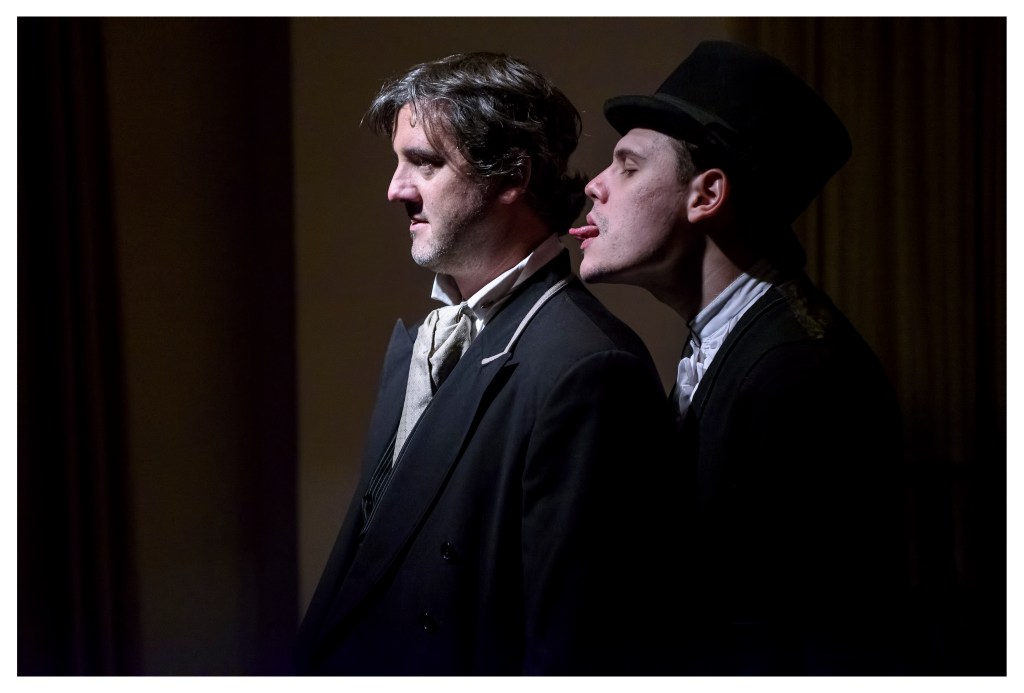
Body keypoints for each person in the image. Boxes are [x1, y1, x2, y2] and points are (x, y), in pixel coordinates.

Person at [294, 52, 682, 676]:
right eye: (398, 162)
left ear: (512, 176)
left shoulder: (589, 367)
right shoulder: (424, 340)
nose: (395, 188)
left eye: (424, 162)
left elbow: (575, 648)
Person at [570, 40, 912, 674]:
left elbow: (818, 631)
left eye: (628, 167)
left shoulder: (801, 373)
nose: (594, 185)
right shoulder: (733, 338)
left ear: (707, 195)